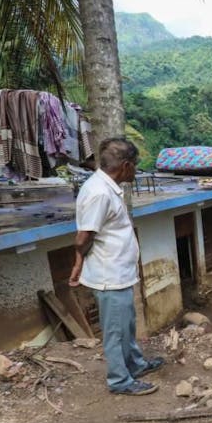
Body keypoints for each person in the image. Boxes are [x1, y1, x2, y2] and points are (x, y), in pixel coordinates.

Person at [70, 137, 163, 395]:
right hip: (108, 275)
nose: (135, 170)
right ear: (125, 166)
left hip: (119, 273)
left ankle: (135, 364)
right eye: (134, 165)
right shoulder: (99, 193)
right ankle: (120, 380)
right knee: (115, 331)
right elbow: (83, 236)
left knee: (127, 326)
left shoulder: (107, 187)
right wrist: (78, 263)